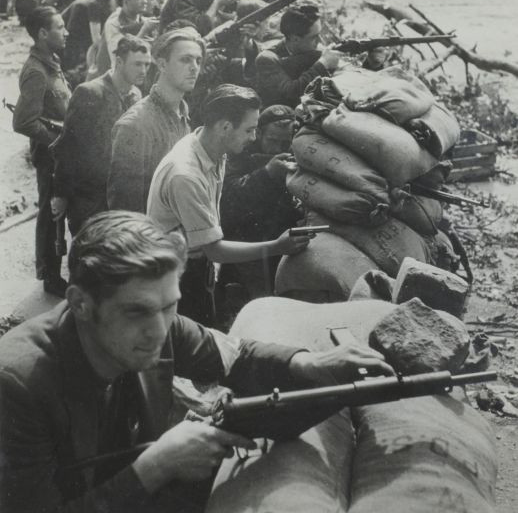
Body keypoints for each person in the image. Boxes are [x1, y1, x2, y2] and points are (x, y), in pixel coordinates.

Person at [0, 211, 393, 513]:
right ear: (80, 303)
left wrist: (307, 364)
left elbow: (235, 356)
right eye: (137, 312)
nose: (159, 330)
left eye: (170, 306)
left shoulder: (158, 323)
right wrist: (156, 466)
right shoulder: (17, 384)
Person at [147, 85, 308, 326]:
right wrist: (277, 246)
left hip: (194, 265)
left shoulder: (212, 149)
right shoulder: (185, 174)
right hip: (176, 273)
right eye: (249, 130)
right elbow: (213, 249)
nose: (253, 138)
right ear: (224, 127)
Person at [51, 36, 149, 235]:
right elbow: (68, 146)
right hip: (89, 199)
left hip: (120, 197)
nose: (143, 70)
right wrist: (61, 194)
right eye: (137, 64)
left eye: (147, 64)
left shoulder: (136, 94)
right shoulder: (90, 92)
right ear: (119, 62)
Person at [108, 28, 203, 214]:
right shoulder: (135, 125)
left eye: (198, 60)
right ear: (162, 65)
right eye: (185, 59)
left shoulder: (182, 112)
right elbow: (126, 209)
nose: (194, 67)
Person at [12, 6, 70, 297]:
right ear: (43, 33)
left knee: (56, 212)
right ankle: (49, 275)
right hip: (50, 156)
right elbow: (22, 121)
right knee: (50, 213)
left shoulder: (51, 60)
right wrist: (54, 142)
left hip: (58, 153)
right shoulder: (36, 71)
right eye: (60, 27)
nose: (66, 31)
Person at [220, 104, 301, 299]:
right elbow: (230, 198)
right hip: (249, 243)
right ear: (259, 134)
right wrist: (266, 174)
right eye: (272, 140)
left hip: (283, 240)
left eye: (285, 142)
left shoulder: (299, 152)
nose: (278, 148)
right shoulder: (239, 152)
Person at [255, 4, 343, 108]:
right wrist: (322, 64)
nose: (320, 41)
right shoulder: (267, 59)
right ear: (295, 39)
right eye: (314, 37)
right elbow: (290, 92)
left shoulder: (313, 50)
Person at [94, 0, 157, 76]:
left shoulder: (141, 19)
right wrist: (144, 30)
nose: (145, 1)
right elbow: (121, 56)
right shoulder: (114, 23)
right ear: (125, 2)